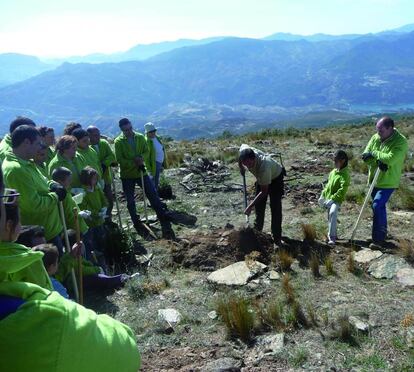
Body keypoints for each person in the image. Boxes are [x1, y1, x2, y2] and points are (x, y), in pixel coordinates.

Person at [0, 167, 141, 371]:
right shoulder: (42, 316)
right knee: (97, 276)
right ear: (9, 226)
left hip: (80, 234)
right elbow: (125, 351)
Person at [2, 125, 65, 254]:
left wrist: (52, 184)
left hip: (49, 229)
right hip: (40, 238)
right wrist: (56, 196)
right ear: (26, 142)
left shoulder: (27, 162)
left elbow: (43, 179)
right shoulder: (17, 170)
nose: (39, 148)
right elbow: (33, 204)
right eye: (37, 143)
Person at [114, 118, 175, 239]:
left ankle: (161, 215)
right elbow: (120, 160)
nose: (129, 131)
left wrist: (141, 158)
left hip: (141, 171)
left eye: (130, 128)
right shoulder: (118, 142)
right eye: (126, 130)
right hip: (127, 176)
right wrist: (134, 162)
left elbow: (146, 151)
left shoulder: (140, 137)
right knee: (130, 200)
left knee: (152, 193)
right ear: (122, 130)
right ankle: (136, 221)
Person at [362, 117, 408, 248]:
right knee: (378, 208)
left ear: (390, 128)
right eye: (377, 129)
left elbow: (390, 159)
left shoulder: (401, 142)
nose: (378, 133)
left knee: (377, 205)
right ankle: (380, 233)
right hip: (374, 180)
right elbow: (365, 156)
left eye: (381, 130)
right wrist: (377, 161)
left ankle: (379, 240)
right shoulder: (375, 137)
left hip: (388, 182)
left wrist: (374, 153)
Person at [239, 144, 285, 246]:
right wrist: (241, 168)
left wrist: (250, 206)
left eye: (249, 164)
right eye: (245, 164)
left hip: (275, 178)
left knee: (275, 207)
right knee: (259, 206)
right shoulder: (244, 152)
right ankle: (257, 233)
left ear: (254, 158)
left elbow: (264, 192)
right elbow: (240, 157)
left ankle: (277, 238)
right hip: (262, 179)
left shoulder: (264, 166)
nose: (247, 166)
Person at [0, 202, 52, 290]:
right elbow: (43, 291)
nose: (21, 227)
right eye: (20, 221)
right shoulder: (29, 258)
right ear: (9, 225)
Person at [318, 150, 351, 245]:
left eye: (336, 161)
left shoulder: (345, 174)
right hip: (328, 198)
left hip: (336, 199)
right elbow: (328, 186)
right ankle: (334, 234)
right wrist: (322, 195)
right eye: (334, 160)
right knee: (330, 216)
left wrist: (333, 199)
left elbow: (342, 190)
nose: (334, 163)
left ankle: (331, 237)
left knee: (332, 213)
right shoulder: (333, 172)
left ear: (343, 161)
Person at [87, 125, 117, 220]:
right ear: (89, 136)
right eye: (95, 135)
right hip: (94, 181)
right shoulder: (87, 148)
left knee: (109, 199)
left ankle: (108, 218)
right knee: (99, 201)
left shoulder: (103, 143)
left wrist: (104, 163)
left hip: (106, 177)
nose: (98, 137)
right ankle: (101, 220)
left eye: (99, 135)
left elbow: (112, 156)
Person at [79, 166, 108, 262]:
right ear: (87, 179)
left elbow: (103, 198)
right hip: (90, 222)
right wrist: (97, 214)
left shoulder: (96, 188)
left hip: (100, 220)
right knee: (92, 241)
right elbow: (86, 207)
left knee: (102, 238)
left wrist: (104, 207)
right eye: (94, 179)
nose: (96, 181)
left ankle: (104, 255)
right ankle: (96, 259)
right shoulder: (83, 192)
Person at [144, 122, 167, 190]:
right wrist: (149, 169)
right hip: (154, 164)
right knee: (153, 180)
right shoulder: (147, 141)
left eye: (154, 131)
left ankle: (155, 196)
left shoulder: (156, 137)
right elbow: (146, 158)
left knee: (156, 179)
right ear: (147, 132)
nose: (153, 133)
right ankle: (154, 197)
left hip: (159, 162)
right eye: (151, 132)